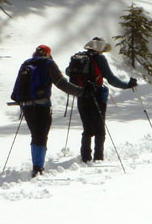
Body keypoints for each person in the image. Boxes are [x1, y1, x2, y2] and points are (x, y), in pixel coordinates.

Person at [11, 44, 95, 177]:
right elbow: (62, 84)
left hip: (26, 106)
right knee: (41, 136)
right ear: (48, 54)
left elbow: (16, 89)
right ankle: (37, 168)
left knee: (36, 135)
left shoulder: (26, 63)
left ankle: (37, 166)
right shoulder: (49, 64)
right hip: (42, 105)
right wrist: (82, 92)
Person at [66, 37, 137, 163]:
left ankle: (85, 157)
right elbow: (111, 78)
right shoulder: (99, 58)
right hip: (97, 95)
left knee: (87, 128)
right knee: (100, 128)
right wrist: (127, 85)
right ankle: (98, 157)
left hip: (81, 94)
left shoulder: (79, 57)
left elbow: (68, 72)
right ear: (100, 47)